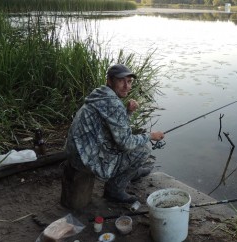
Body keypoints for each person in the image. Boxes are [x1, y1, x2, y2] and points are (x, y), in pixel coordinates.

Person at [65, 64, 165, 204]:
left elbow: (114, 129)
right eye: (121, 81)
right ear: (110, 81)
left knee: (129, 147)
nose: (126, 86)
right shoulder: (112, 102)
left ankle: (132, 173)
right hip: (84, 158)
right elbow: (126, 143)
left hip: (77, 150)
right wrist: (150, 136)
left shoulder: (100, 94)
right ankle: (114, 191)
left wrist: (128, 112)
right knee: (141, 151)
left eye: (129, 81)